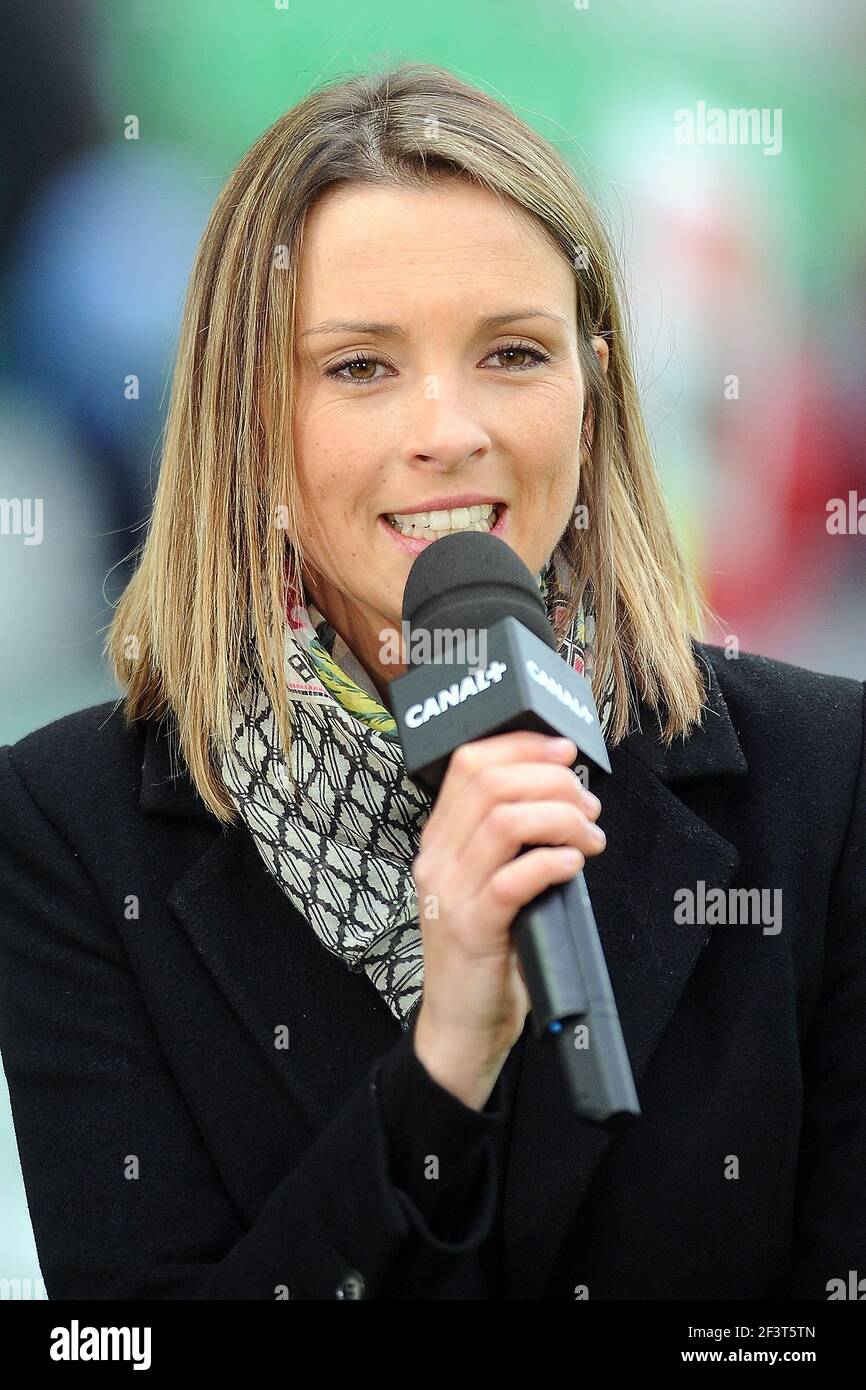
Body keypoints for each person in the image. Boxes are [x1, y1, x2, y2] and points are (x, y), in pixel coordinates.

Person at [0, 63, 863, 1302]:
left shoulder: (822, 780)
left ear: (590, 388)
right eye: (360, 366)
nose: (448, 428)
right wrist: (446, 1061)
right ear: (248, 424)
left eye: (512, 352)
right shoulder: (68, 825)